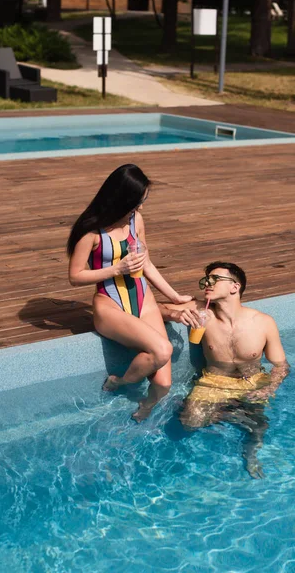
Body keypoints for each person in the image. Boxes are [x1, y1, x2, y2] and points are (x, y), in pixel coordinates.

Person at [67, 164, 192, 422]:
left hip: (143, 298)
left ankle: (145, 407)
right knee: (162, 350)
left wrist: (175, 297)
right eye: (139, 201)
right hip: (108, 304)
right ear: (121, 198)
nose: (142, 206)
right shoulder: (90, 232)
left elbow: (146, 262)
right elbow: (75, 276)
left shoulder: (136, 219)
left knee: (164, 385)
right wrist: (117, 269)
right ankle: (120, 381)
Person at [159, 262, 289, 478]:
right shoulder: (201, 311)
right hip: (214, 381)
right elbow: (152, 309)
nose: (207, 284)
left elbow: (281, 365)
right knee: (189, 423)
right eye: (205, 280)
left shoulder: (264, 322)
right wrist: (174, 314)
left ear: (235, 287)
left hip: (252, 380)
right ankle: (233, 412)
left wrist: (269, 388)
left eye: (215, 279)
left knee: (258, 429)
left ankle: (250, 455)